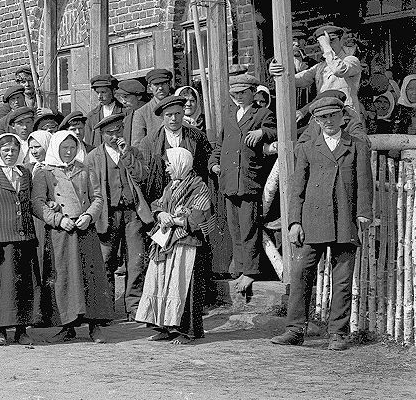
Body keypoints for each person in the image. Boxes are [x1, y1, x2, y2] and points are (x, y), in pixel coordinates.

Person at [271, 91, 375, 350]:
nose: (328, 121)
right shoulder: (307, 147)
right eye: (322, 118)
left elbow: (364, 183)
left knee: (342, 279)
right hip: (312, 219)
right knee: (300, 273)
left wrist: (364, 212)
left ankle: (337, 333)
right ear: (316, 121)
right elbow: (297, 188)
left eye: (333, 116)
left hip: (344, 219)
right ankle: (295, 329)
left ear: (343, 117)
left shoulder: (356, 145)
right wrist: (294, 221)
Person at [34, 131, 113, 342]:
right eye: (64, 148)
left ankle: (95, 325)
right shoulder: (45, 173)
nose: (68, 152)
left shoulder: (85, 170)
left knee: (91, 275)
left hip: (84, 229)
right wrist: (58, 219)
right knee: (64, 278)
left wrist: (89, 216)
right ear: (56, 149)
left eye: (72, 147)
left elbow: (97, 198)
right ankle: (67, 326)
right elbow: (38, 204)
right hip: (62, 232)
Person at [134, 147, 212, 343]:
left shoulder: (199, 186)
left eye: (169, 164)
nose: (167, 169)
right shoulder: (171, 187)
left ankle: (187, 332)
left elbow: (198, 217)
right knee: (162, 284)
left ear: (180, 163)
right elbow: (158, 204)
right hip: (168, 241)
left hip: (187, 243)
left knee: (183, 286)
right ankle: (166, 328)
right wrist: (161, 214)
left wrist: (175, 221)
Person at [213, 70, 275, 304]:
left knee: (249, 227)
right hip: (230, 180)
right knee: (234, 228)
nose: (238, 97)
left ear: (253, 93)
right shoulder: (230, 116)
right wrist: (213, 164)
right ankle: (240, 268)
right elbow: (220, 145)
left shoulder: (263, 114)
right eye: (234, 93)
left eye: (243, 93)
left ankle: (250, 271)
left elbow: (278, 131)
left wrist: (262, 132)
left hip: (248, 179)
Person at [86, 109, 150, 318]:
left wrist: (127, 156)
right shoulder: (93, 158)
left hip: (132, 213)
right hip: (107, 214)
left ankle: (134, 307)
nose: (115, 136)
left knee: (136, 260)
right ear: (102, 135)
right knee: (106, 261)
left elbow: (142, 176)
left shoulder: (132, 152)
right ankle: (106, 308)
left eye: (119, 130)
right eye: (110, 133)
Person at [0, 134, 38, 346]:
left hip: (24, 238)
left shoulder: (25, 174)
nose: (10, 154)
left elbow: (31, 203)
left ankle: (21, 330)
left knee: (22, 286)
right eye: (5, 151)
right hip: (0, 242)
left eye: (13, 150)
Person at [129, 68, 176, 149]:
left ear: (170, 84)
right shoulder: (142, 113)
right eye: (156, 84)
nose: (160, 88)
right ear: (150, 87)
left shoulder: (179, 106)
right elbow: (137, 147)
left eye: (164, 83)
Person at [82, 75, 122, 147]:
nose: (99, 96)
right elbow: (89, 145)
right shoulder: (91, 117)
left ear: (113, 91)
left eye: (103, 92)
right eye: (97, 92)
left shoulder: (125, 112)